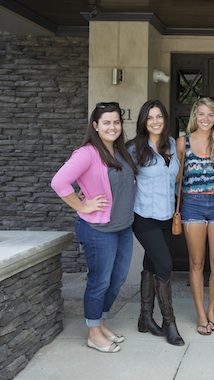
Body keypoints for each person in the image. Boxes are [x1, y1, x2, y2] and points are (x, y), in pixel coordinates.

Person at [51, 102, 138, 353]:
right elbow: (59, 182)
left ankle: (100, 324)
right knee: (99, 282)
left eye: (116, 122)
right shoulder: (87, 153)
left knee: (117, 279)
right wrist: (82, 205)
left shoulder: (121, 151)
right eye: (107, 122)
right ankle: (93, 332)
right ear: (95, 126)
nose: (112, 127)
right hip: (98, 230)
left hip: (123, 227)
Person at [176, 96, 214, 336]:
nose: (205, 119)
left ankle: (212, 310)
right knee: (197, 263)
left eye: (210, 114)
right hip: (193, 204)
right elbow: (176, 178)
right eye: (201, 114)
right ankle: (201, 314)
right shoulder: (182, 143)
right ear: (194, 116)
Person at [127, 100, 184, 346]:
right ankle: (169, 322)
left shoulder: (171, 144)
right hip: (144, 216)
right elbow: (117, 177)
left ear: (165, 119)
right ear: (143, 121)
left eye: (159, 116)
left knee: (151, 264)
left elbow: (175, 178)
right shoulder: (133, 148)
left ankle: (144, 318)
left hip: (166, 217)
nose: (155, 121)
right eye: (150, 117)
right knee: (164, 264)